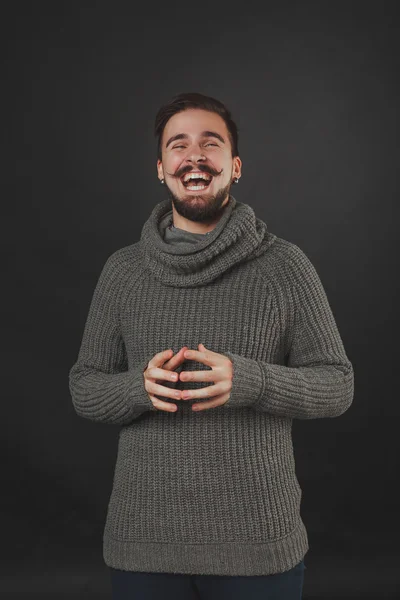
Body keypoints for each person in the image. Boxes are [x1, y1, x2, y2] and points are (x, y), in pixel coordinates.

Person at [69, 92, 354, 599]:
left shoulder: (285, 267)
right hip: (143, 545)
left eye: (211, 143)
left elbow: (338, 384)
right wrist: (137, 389)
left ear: (235, 166)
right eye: (179, 145)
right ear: (162, 168)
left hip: (258, 545)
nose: (194, 156)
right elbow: (85, 386)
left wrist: (251, 380)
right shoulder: (123, 272)